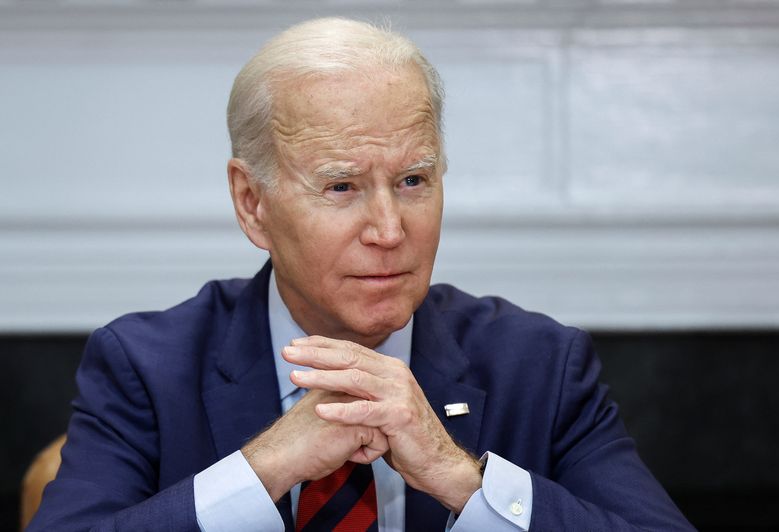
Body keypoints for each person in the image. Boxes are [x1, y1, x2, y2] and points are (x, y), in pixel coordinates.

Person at [29, 17, 694, 532]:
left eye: (412, 180)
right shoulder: (147, 366)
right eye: (342, 186)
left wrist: (456, 474)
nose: (388, 230)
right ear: (252, 203)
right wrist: (266, 467)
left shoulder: (539, 365)